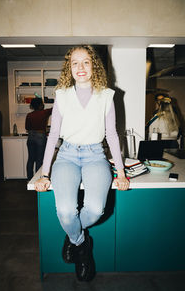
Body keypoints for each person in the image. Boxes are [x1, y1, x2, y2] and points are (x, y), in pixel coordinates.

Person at [34, 45, 129, 281]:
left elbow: (112, 135)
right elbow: (53, 134)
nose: (80, 67)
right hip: (66, 155)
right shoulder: (62, 96)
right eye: (74, 63)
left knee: (97, 209)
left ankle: (72, 234)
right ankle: (82, 245)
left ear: (93, 65)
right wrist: (44, 174)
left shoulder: (106, 95)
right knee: (65, 211)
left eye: (86, 62)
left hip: (95, 155)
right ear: (69, 68)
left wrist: (121, 172)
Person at [25, 97, 52, 180]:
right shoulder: (44, 113)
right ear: (41, 105)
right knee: (39, 159)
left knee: (31, 158)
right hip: (40, 136)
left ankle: (29, 178)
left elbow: (27, 127)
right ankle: (37, 179)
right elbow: (55, 109)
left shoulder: (29, 115)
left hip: (31, 136)